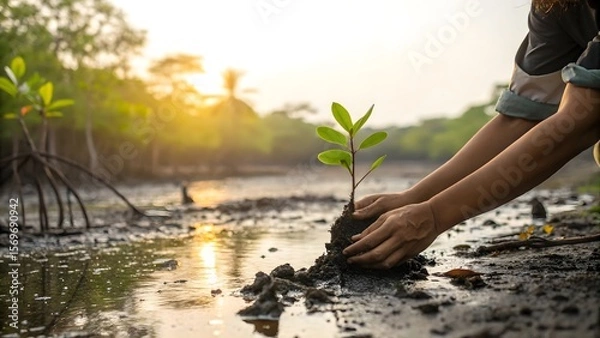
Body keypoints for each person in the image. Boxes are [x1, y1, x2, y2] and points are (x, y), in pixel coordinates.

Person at [343, 0, 600, 269]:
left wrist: (435, 215)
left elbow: (582, 119)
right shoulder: (554, 7)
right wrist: (415, 197)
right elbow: (520, 118)